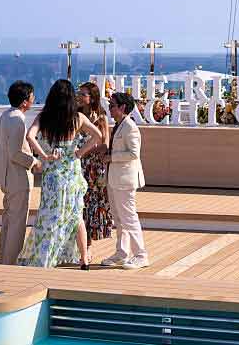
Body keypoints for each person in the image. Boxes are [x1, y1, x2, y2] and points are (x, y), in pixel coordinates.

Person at [18, 79, 102, 269]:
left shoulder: (44, 117)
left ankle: (46, 257)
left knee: (50, 215)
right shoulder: (78, 118)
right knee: (76, 216)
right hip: (72, 173)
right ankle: (84, 259)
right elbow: (98, 135)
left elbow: (30, 136)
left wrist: (44, 156)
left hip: (53, 174)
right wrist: (80, 152)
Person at [0, 81, 42, 265]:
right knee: (17, 224)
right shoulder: (17, 120)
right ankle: (11, 262)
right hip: (17, 177)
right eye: (32, 96)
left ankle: (4, 259)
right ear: (25, 101)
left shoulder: (5, 116)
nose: (34, 99)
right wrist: (35, 162)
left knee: (8, 221)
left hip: (6, 177)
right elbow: (15, 153)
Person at [101, 91, 149, 269]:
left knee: (129, 218)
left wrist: (111, 157)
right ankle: (122, 253)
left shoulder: (130, 126)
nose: (109, 109)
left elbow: (133, 153)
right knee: (119, 219)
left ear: (122, 107)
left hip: (125, 180)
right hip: (115, 179)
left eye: (112, 106)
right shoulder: (119, 125)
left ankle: (141, 255)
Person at [77, 81, 113, 243]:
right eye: (78, 93)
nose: (79, 96)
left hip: (93, 166)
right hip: (78, 165)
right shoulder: (75, 115)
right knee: (80, 201)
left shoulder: (101, 117)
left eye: (82, 94)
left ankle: (89, 242)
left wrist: (85, 151)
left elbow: (105, 145)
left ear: (92, 98)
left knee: (92, 201)